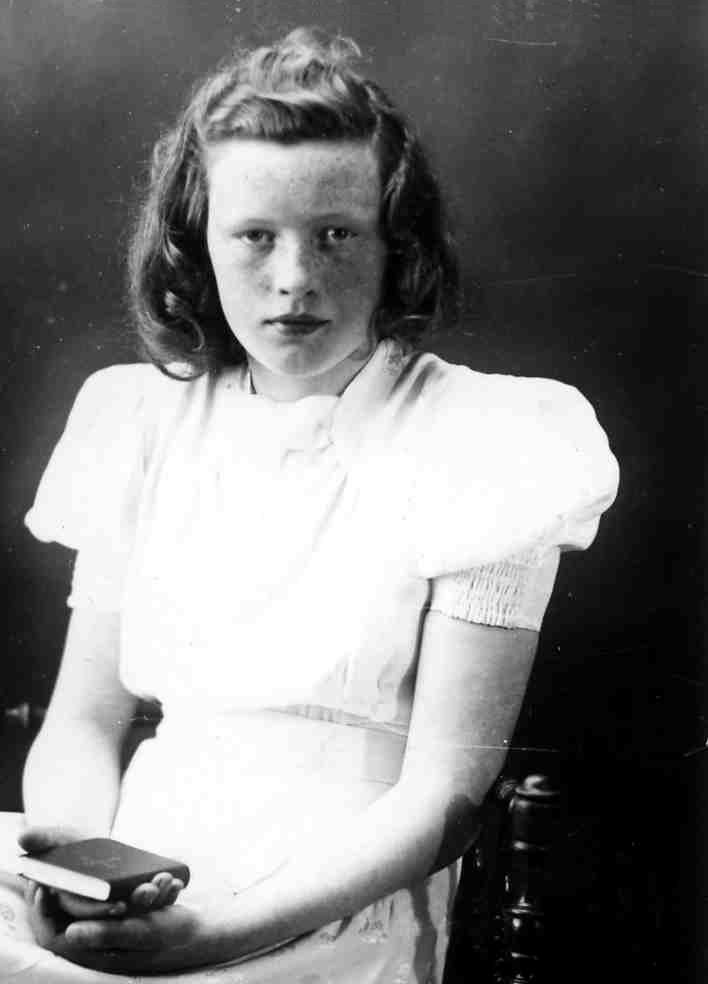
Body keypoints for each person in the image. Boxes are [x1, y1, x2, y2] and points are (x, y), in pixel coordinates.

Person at [0, 27, 619, 983]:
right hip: (141, 864)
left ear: (394, 243)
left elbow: (446, 799)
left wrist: (210, 936)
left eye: (336, 234)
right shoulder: (139, 420)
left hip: (332, 903)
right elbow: (83, 723)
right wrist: (76, 870)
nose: (294, 278)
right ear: (198, 243)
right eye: (255, 236)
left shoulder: (488, 440)